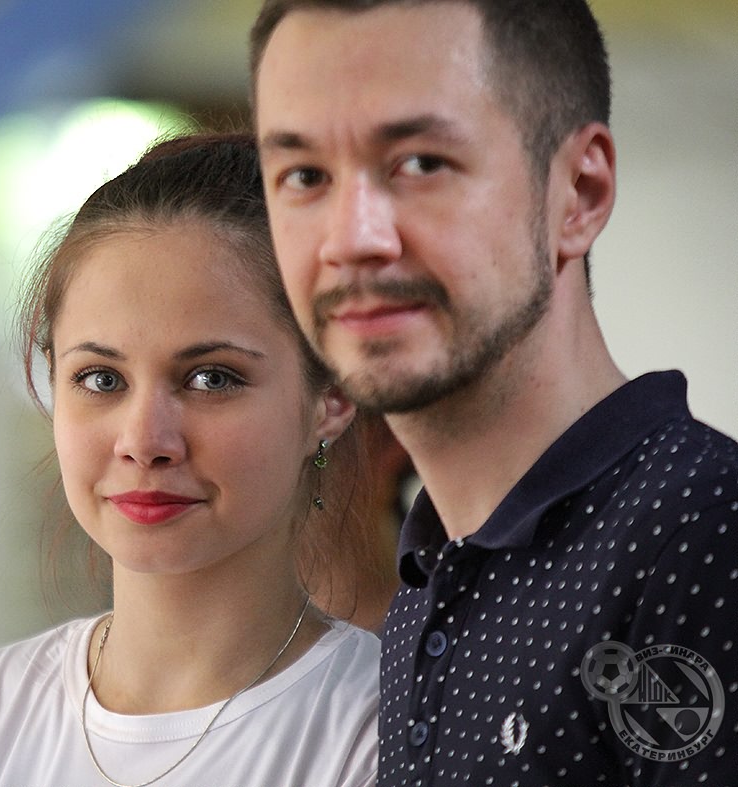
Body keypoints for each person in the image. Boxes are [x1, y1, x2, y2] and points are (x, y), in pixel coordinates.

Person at [250, 1, 738, 785]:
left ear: (577, 192)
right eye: (304, 176)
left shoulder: (703, 537)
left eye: (420, 163)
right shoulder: (429, 583)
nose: (351, 238)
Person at [0, 132, 383, 787]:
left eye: (211, 378)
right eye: (101, 379)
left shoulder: (384, 735)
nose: (144, 439)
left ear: (331, 396)